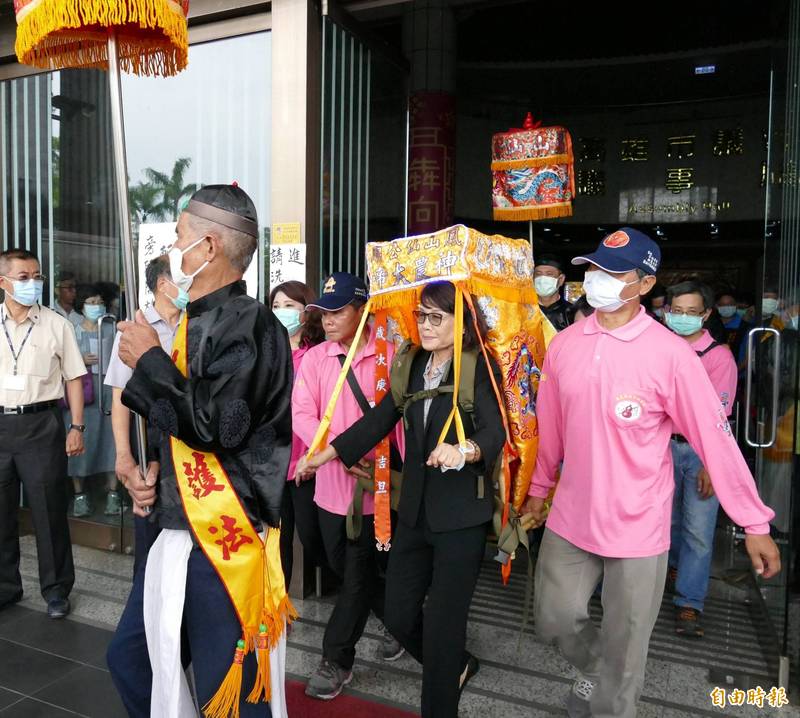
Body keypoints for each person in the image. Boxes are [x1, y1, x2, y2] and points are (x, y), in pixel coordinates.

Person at [522, 227, 780, 718]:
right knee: (554, 620)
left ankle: (609, 702)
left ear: (644, 284)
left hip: (639, 523)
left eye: (613, 272)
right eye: (595, 269)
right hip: (572, 513)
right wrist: (539, 488)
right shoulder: (565, 345)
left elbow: (714, 438)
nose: (598, 279)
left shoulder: (671, 355)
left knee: (626, 646)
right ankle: (595, 671)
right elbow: (550, 426)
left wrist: (754, 523)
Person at [106, 185, 294, 718]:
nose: (174, 246)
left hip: (223, 541)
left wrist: (150, 361)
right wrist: (145, 469)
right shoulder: (196, 318)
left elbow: (219, 426)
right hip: (177, 530)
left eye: (181, 236)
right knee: (133, 662)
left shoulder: (252, 323)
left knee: (228, 693)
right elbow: (184, 422)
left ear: (208, 247)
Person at [297, 280, 506, 718]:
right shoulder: (411, 364)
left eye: (436, 317)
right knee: (397, 612)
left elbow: (494, 431)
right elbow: (380, 418)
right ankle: (454, 664)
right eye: (421, 316)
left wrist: (464, 450)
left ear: (461, 321)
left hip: (460, 517)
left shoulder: (479, 367)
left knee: (445, 629)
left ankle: (443, 694)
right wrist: (327, 454)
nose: (425, 326)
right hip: (413, 512)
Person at [291, 272, 405, 701]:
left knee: (356, 574)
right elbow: (302, 411)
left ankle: (335, 660)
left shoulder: (390, 357)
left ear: (362, 311)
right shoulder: (318, 358)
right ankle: (403, 622)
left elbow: (397, 424)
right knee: (336, 562)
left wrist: (378, 457)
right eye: (325, 311)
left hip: (371, 489)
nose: (330, 319)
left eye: (339, 311)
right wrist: (334, 451)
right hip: (328, 486)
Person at [0, 248, 86, 619]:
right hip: (1, 424)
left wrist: (77, 426)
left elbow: (74, 379)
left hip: (42, 425)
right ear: (2, 281)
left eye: (36, 276)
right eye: (23, 277)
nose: (32, 283)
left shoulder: (56, 324)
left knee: (49, 511)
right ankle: (6, 586)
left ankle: (56, 590)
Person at [664, 281, 738, 637]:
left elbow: (719, 418)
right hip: (661, 446)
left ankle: (689, 602)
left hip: (698, 451)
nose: (682, 319)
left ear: (706, 315)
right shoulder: (659, 349)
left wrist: (712, 464)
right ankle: (677, 570)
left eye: (691, 313)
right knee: (669, 521)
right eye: (676, 312)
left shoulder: (718, 357)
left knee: (698, 530)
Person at [104, 256, 182, 575]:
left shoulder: (199, 324)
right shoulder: (136, 331)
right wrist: (124, 455)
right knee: (149, 526)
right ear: (164, 285)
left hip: (191, 438)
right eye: (185, 277)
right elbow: (121, 396)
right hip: (147, 438)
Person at [269, 280, 325, 591]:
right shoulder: (266, 353)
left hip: (309, 462)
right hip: (274, 461)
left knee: (315, 538)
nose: (281, 312)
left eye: (289, 306)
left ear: (306, 312)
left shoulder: (317, 355)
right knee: (278, 541)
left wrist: (315, 454)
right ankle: (277, 614)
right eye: (276, 306)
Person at [65, 284, 117, 518]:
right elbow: (62, 364)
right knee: (80, 444)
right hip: (83, 394)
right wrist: (80, 359)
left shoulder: (111, 328)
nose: (96, 307)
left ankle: (113, 496)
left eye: (99, 302)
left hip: (107, 391)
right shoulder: (71, 330)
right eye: (91, 303)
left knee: (112, 443)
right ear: (81, 305)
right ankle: (79, 496)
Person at [534, 255, 573, 331]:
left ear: (561, 279)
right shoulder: (524, 311)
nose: (542, 279)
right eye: (538, 274)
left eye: (549, 274)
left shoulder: (572, 313)